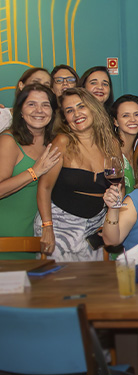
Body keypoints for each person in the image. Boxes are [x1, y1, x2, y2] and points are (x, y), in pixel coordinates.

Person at [35, 88, 121, 261]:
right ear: (65, 119)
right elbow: (44, 188)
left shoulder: (111, 143)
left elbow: (119, 187)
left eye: (81, 106)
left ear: (92, 108)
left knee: (92, 285)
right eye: (69, 110)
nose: (76, 114)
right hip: (60, 226)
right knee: (58, 284)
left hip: (95, 229)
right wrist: (47, 227)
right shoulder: (62, 142)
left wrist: (111, 220)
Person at [0, 84, 61, 259]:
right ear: (20, 110)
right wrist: (34, 171)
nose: (39, 110)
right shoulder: (9, 141)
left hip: (39, 236)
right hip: (7, 238)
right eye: (31, 104)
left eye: (45, 105)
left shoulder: (56, 142)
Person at [111, 95, 138, 194]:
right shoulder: (111, 149)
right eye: (126, 115)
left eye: (137, 114)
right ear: (115, 121)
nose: (133, 119)